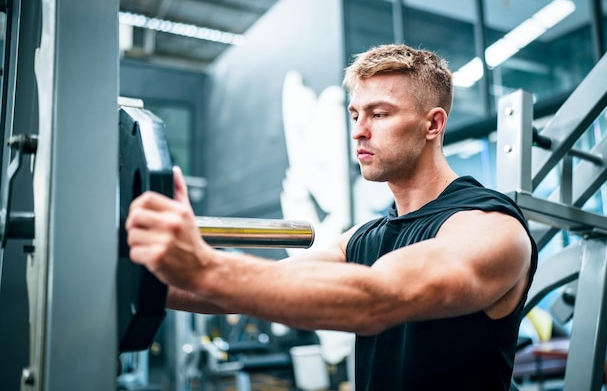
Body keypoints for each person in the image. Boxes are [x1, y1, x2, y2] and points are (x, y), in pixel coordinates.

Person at [126, 44, 538, 390]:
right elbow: (252, 288)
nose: (359, 130)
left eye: (379, 114)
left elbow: (377, 300)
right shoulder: (364, 237)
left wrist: (200, 264)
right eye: (355, 115)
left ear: (433, 124)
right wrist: (124, 275)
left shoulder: (490, 227)